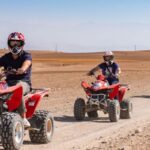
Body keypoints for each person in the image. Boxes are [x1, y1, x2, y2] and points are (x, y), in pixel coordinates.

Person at [0, 32, 32, 127]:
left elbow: (27, 63)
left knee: (18, 88)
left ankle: (23, 117)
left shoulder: (26, 55)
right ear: (9, 44)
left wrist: (22, 69)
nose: (15, 45)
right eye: (12, 43)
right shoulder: (6, 57)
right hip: (8, 83)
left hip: (23, 82)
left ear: (22, 44)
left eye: (17, 43)